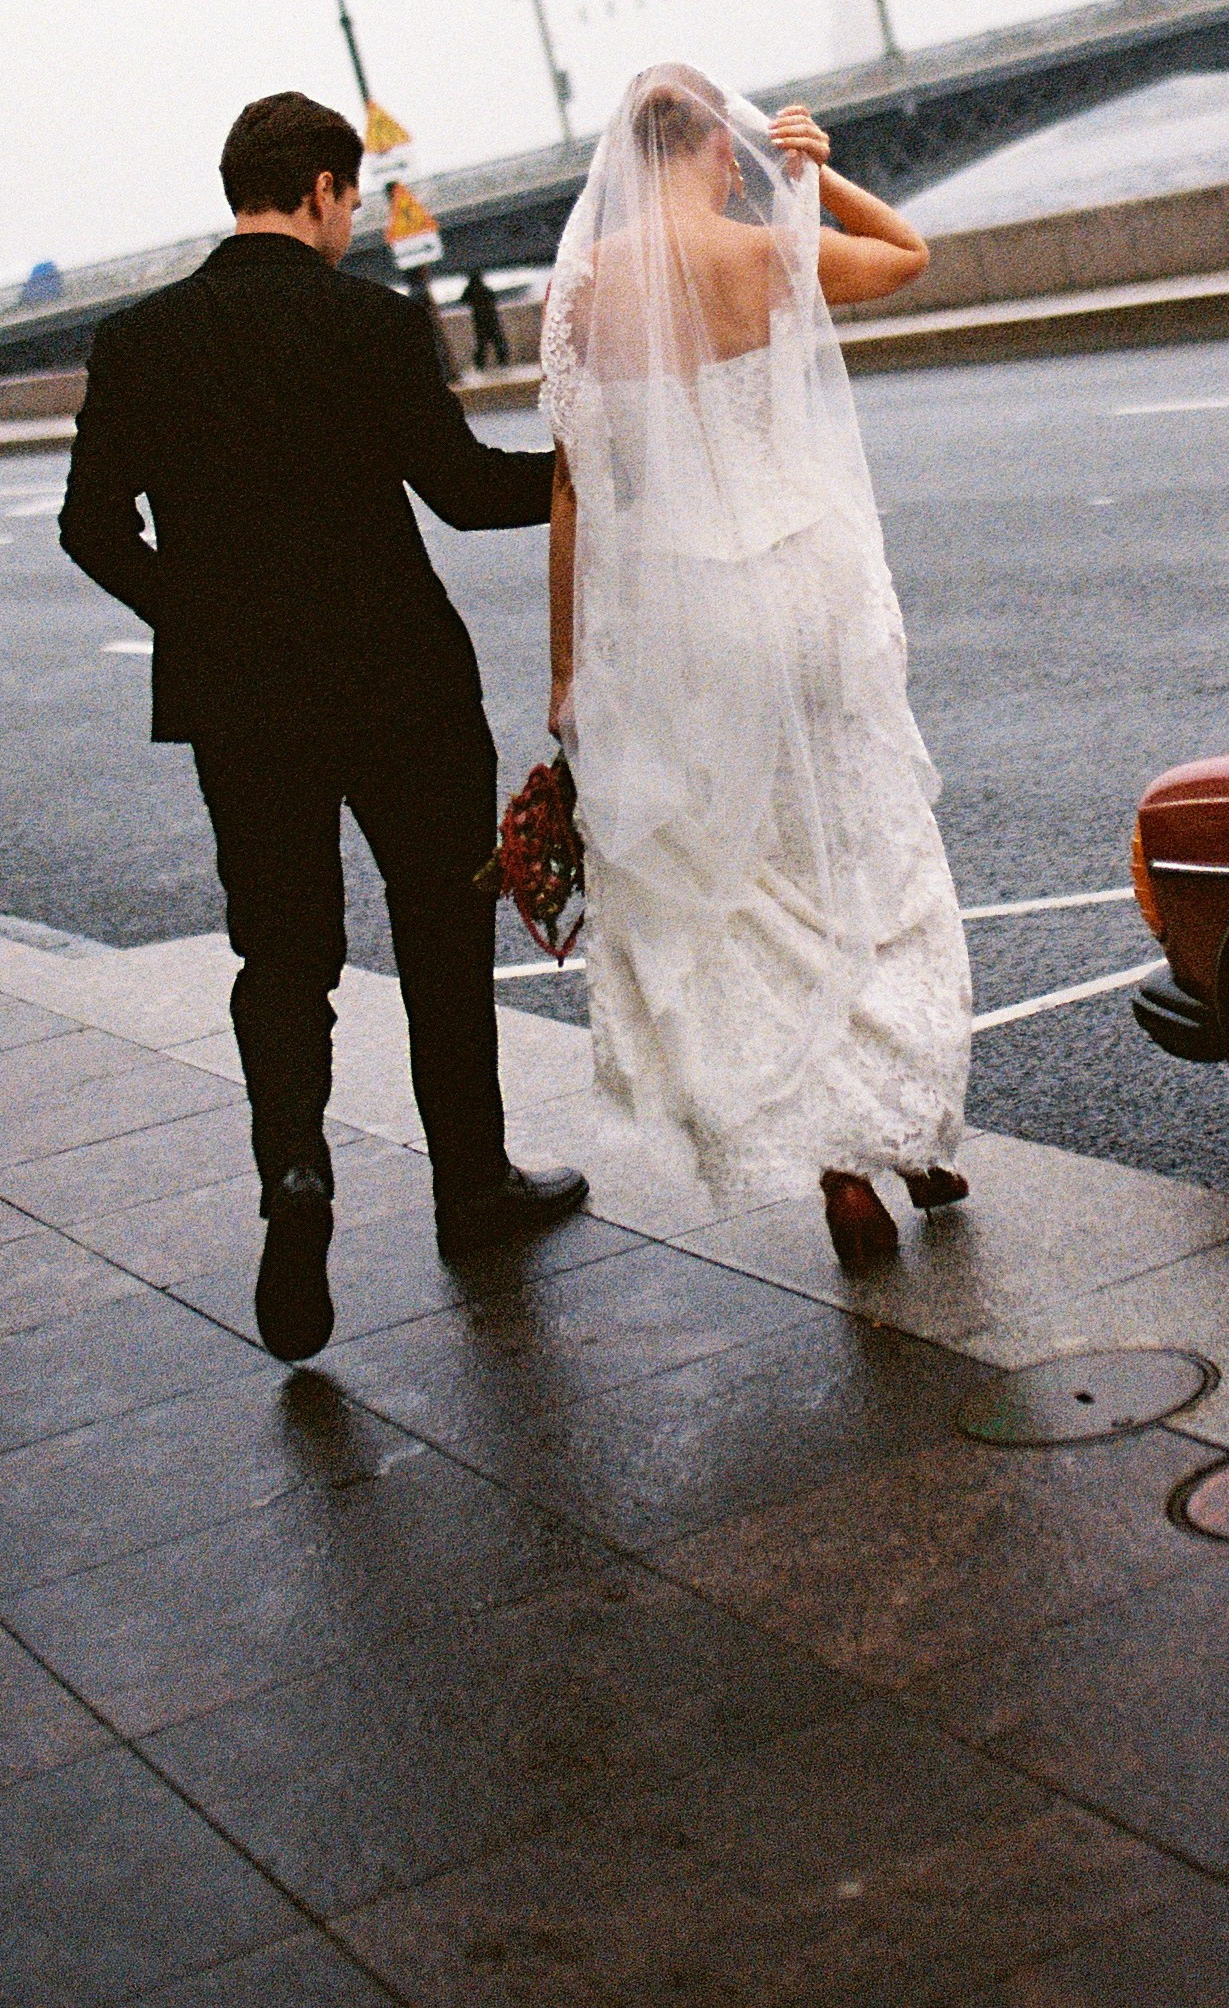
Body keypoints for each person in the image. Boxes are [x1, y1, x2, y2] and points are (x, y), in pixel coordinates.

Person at [59, 90, 586, 1361]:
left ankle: (295, 1174)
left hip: (242, 703)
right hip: (398, 681)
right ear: (325, 192)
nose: (352, 220)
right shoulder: (370, 322)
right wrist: (584, 478)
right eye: (350, 201)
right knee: (441, 929)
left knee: (283, 951)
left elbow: (88, 525)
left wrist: (196, 614)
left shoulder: (140, 339)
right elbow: (460, 495)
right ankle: (473, 1188)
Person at [543, 67, 971, 1269]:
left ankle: (841, 1169)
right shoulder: (766, 250)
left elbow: (575, 488)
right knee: (865, 842)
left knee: (755, 874)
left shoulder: (583, 289)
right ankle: (920, 1130)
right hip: (805, 581)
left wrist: (568, 666)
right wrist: (817, 174)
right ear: (720, 154)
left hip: (690, 605)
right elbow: (907, 254)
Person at [461, 266, 510, 372]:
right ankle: (503, 364)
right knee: (498, 342)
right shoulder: (485, 289)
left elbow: (463, 300)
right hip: (491, 319)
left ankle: (480, 366)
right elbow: (494, 299)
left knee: (482, 345)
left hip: (480, 321)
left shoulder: (470, 290)